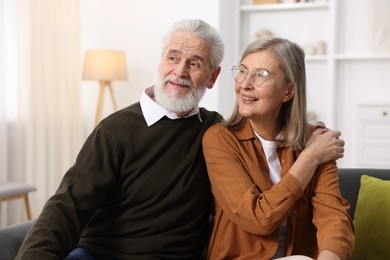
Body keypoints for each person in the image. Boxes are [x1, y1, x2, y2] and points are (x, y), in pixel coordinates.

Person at [16, 19, 224, 259]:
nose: (179, 72)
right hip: (99, 255)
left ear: (213, 76)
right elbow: (69, 203)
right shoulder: (115, 129)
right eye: (173, 58)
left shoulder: (215, 131)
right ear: (160, 63)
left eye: (194, 63)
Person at [202, 37, 355, 260]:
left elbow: (333, 218)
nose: (245, 84)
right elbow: (257, 218)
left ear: (288, 92)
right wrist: (310, 158)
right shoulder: (220, 140)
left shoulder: (315, 139)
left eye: (261, 75)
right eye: (243, 71)